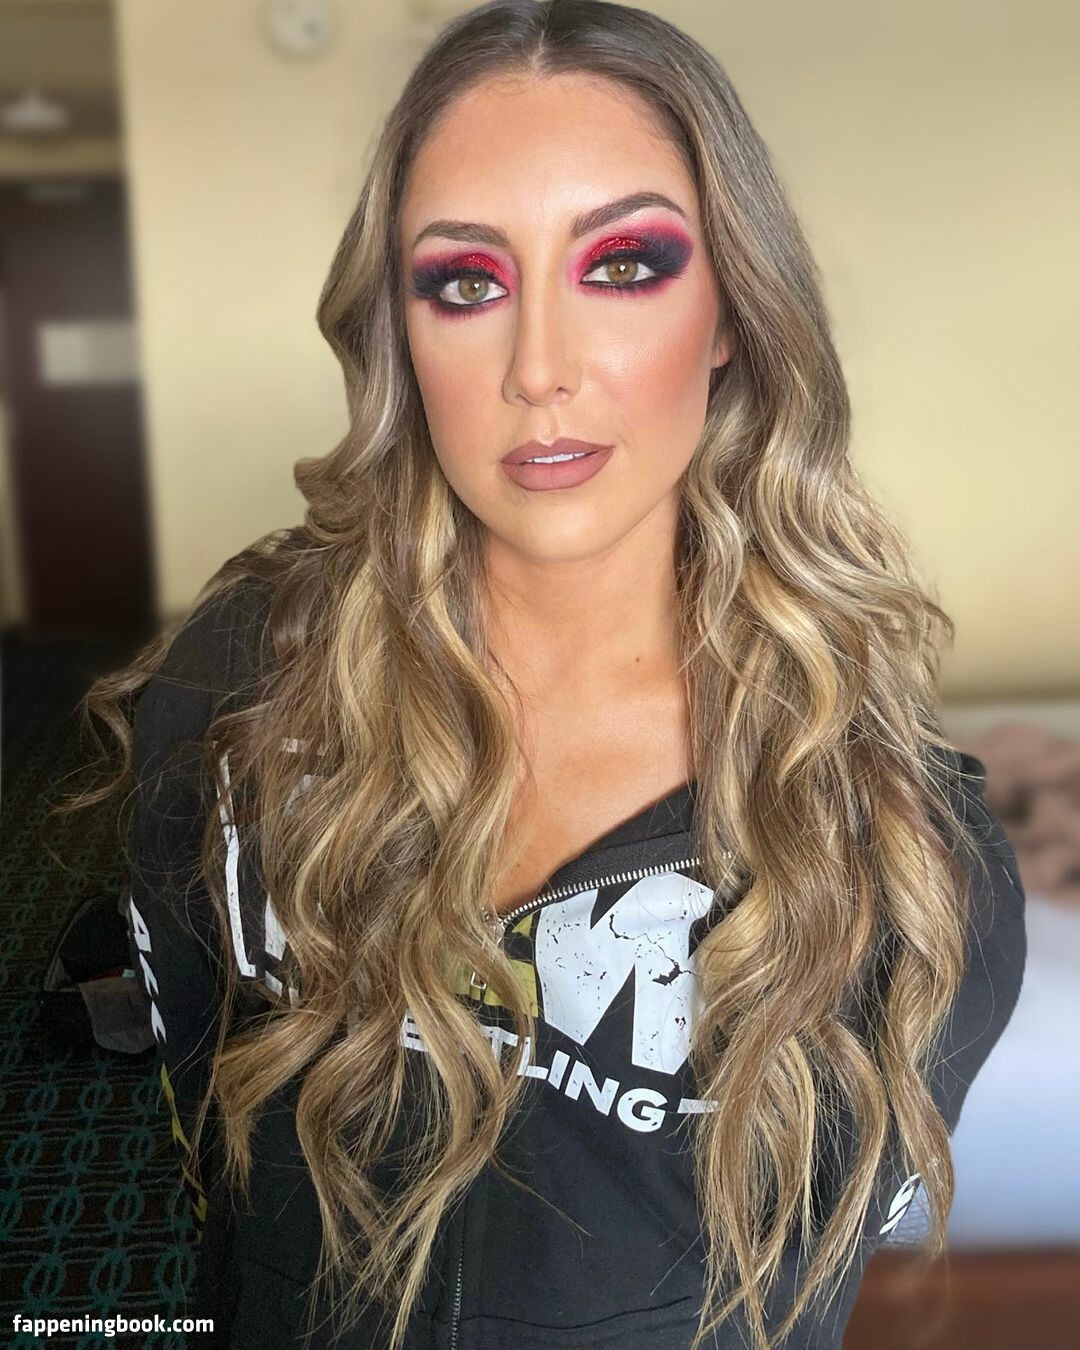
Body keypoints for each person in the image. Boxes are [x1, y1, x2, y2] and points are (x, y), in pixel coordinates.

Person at [66, 2, 1027, 1347]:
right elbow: (198, 1082)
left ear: (732, 314)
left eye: (623, 265)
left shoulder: (907, 865)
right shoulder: (242, 681)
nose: (539, 371)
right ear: (402, 335)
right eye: (467, 284)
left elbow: (802, 1286)